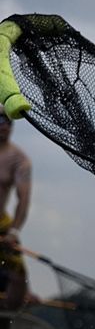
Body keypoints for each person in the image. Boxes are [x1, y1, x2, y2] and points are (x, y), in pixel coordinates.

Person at [0, 114, 33, 311]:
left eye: (8, 121)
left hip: (2, 224)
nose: (4, 126)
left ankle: (8, 322)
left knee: (18, 274)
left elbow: (24, 199)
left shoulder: (19, 160)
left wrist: (13, 232)